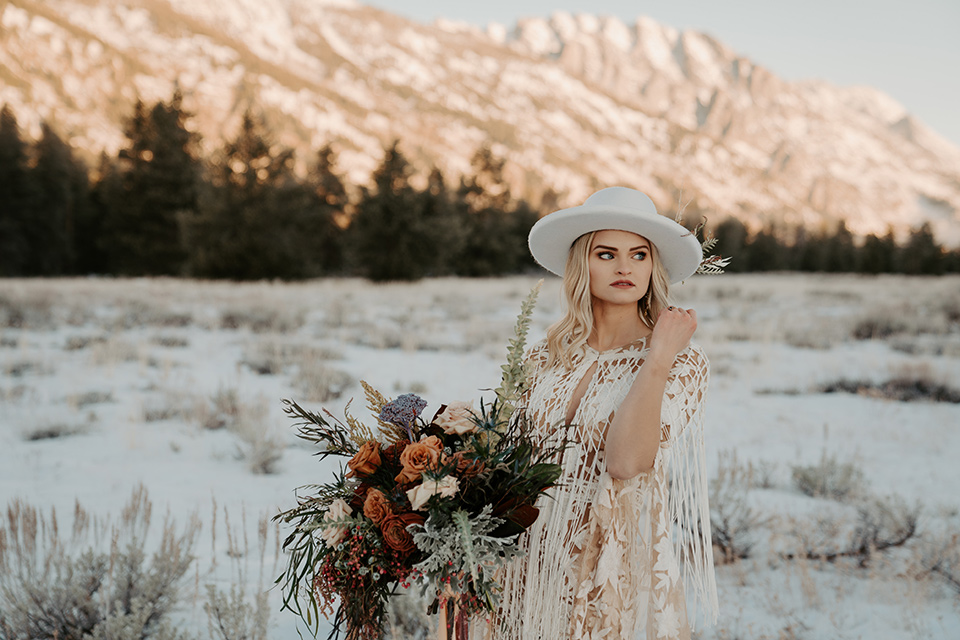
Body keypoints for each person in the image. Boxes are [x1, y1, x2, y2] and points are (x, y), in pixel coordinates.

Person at [491, 186, 719, 639]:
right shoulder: (543, 357)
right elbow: (503, 456)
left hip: (609, 553)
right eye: (606, 254)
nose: (623, 267)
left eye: (638, 255)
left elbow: (627, 462)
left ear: (653, 267)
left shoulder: (682, 362)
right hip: (524, 550)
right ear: (581, 265)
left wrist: (657, 358)